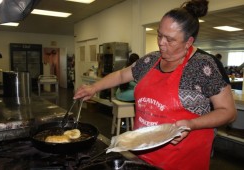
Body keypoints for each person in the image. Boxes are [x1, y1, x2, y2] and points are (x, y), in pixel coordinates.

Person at [74, 0, 237, 169]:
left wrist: (192, 124)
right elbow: (123, 74)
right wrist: (93, 87)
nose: (161, 43)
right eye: (160, 35)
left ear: (188, 42)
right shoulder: (150, 60)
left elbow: (228, 112)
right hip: (141, 156)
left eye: (170, 39)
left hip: (182, 160)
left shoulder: (203, 67)